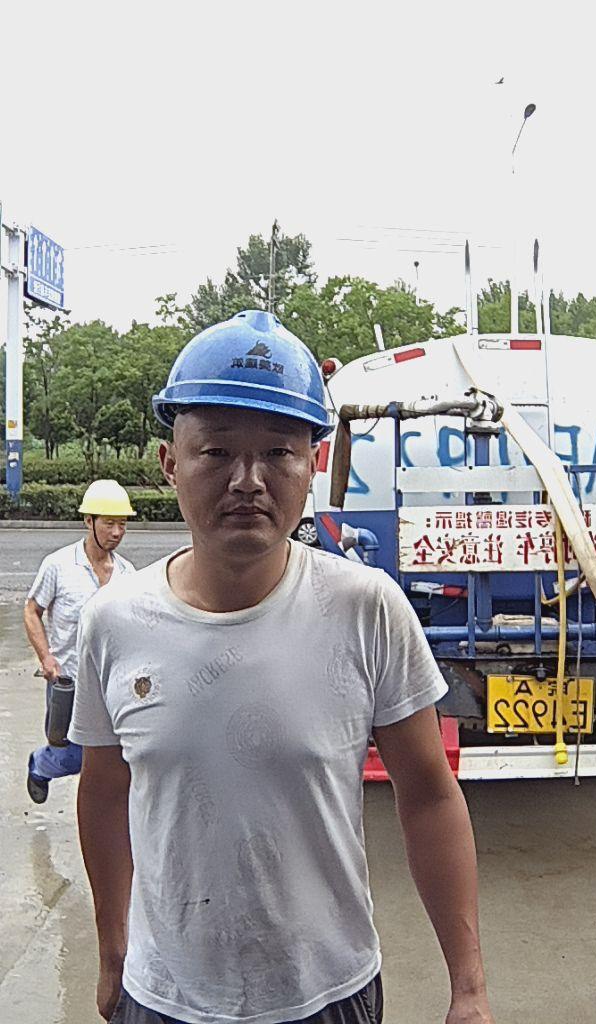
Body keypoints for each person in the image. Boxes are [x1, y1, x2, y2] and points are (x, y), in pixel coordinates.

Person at [70, 310, 495, 1024]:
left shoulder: (366, 609)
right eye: (216, 452)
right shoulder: (113, 621)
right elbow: (104, 793)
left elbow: (429, 795)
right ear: (170, 462)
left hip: (328, 994)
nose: (248, 480)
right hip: (165, 997)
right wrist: (112, 950)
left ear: (313, 464)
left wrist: (470, 988)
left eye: (277, 452)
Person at [24, 479, 136, 804]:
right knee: (72, 756)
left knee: (113, 756)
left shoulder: (128, 574)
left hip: (111, 685)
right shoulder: (58, 566)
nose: (117, 532)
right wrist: (46, 658)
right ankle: (40, 765)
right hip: (68, 682)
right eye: (109, 523)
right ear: (89, 521)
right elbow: (32, 611)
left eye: (122, 524)